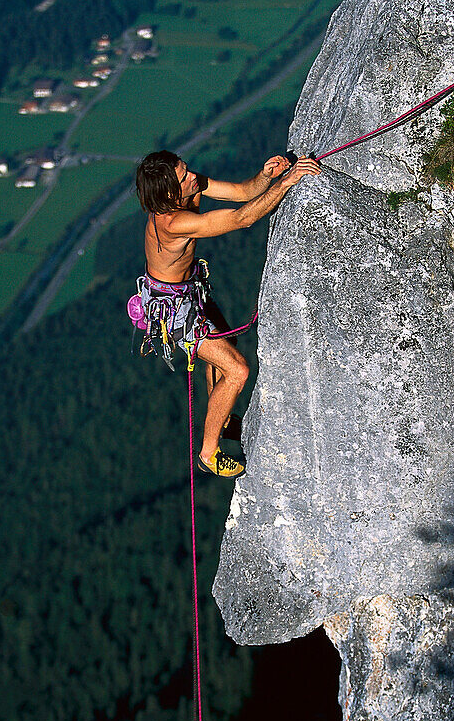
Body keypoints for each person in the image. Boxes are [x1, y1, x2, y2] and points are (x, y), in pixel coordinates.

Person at [133, 149, 321, 477]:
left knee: (225, 345)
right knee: (237, 371)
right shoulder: (173, 223)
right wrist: (290, 180)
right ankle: (208, 452)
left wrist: (267, 175)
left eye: (187, 170)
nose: (193, 176)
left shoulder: (188, 189)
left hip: (187, 290)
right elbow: (241, 219)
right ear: (168, 193)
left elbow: (242, 194)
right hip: (173, 311)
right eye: (184, 177)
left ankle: (222, 415)